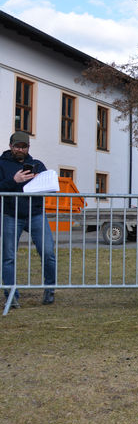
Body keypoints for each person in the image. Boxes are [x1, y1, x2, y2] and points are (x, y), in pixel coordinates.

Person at [0, 131, 56, 307]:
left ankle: (50, 290)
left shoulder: (37, 165)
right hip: (11, 215)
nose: (20, 149)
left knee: (48, 253)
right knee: (8, 257)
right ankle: (11, 295)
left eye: (23, 147)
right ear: (10, 146)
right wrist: (14, 180)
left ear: (28, 148)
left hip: (36, 214)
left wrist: (42, 181)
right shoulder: (1, 164)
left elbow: (51, 187)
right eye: (17, 146)